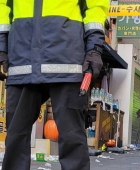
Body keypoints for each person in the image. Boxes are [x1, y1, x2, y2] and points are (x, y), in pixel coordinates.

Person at [0, 1, 109, 170]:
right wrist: (1, 46)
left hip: (66, 61)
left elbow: (95, 8)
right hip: (23, 62)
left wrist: (94, 48)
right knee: (15, 137)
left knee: (72, 137)